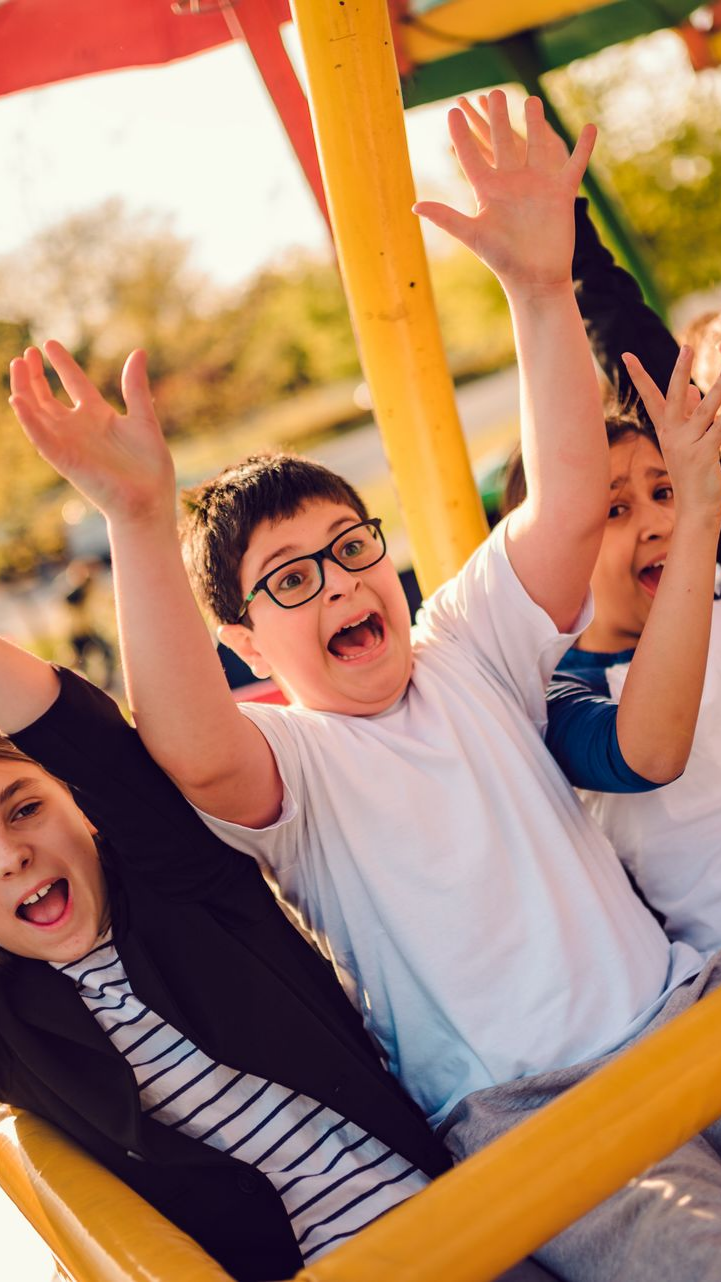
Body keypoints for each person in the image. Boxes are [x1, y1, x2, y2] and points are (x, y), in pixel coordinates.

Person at [10, 91, 721, 1280]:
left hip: (685, 1013)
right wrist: (137, 516)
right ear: (244, 641)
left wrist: (539, 289)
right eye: (292, 579)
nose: (340, 582)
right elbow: (191, 746)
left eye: (351, 549)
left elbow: (564, 504)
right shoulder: (297, 772)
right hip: (541, 1114)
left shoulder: (467, 644)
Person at [0, 639, 455, 1282]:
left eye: (26, 810)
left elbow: (77, 732)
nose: (10, 856)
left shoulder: (182, 874)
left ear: (80, 806)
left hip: (455, 1226)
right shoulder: (14, 1031)